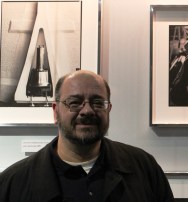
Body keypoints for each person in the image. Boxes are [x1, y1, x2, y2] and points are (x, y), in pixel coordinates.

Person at [0, 70, 174, 202]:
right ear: (55, 112)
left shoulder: (144, 168)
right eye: (74, 102)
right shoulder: (13, 183)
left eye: (98, 102)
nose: (87, 110)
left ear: (108, 109)